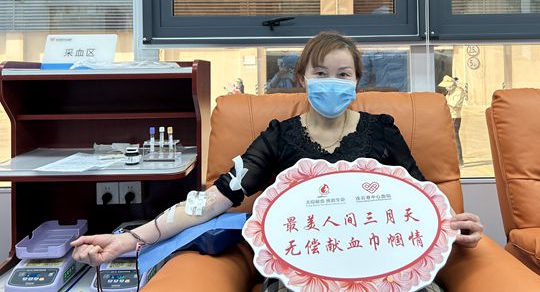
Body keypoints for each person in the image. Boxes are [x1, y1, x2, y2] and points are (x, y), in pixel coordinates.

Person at [72, 32, 483, 291]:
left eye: (344, 74)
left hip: (382, 270)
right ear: (302, 79)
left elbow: (423, 198)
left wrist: (456, 226)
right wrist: (131, 239)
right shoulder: (278, 137)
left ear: (357, 80)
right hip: (302, 272)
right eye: (321, 73)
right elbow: (213, 200)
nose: (333, 82)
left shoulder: (382, 130)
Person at [438, 75, 466, 166]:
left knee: (455, 137)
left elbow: (455, 104)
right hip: (448, 116)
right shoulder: (449, 92)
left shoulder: (459, 91)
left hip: (455, 117)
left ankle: (459, 160)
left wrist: (443, 100)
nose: (446, 88)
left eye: (448, 86)